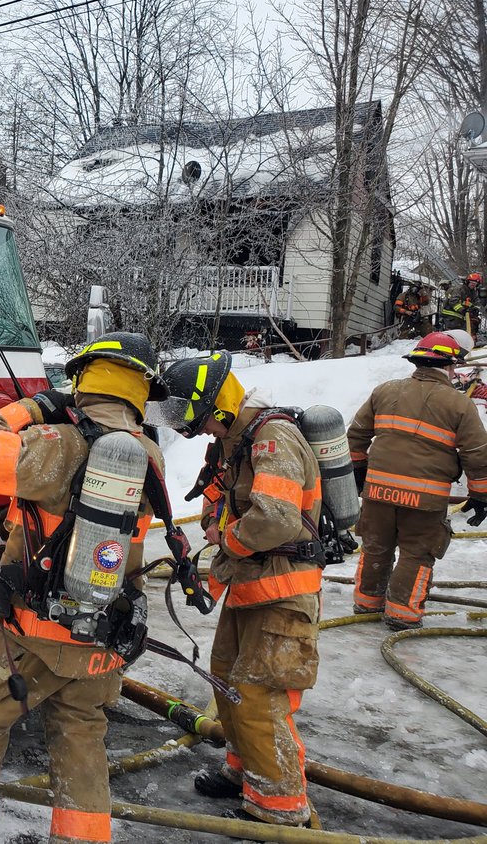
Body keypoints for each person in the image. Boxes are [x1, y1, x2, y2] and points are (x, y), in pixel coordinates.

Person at [0, 333, 168, 844]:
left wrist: (31, 408)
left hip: (33, 633)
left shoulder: (58, 446)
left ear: (83, 382)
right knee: (82, 732)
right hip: (104, 631)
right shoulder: (146, 457)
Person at [150, 352, 321, 828]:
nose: (196, 429)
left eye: (196, 417)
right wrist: (212, 521)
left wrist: (224, 538)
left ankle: (280, 811)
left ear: (217, 406)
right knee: (226, 678)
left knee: (259, 693)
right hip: (248, 585)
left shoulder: (272, 439)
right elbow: (218, 497)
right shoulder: (232, 442)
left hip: (282, 589)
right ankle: (244, 771)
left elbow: (276, 517)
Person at [347, 331, 487, 630]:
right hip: (424, 499)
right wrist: (480, 496)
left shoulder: (384, 391)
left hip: (378, 493)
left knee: (376, 547)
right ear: (449, 366)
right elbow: (477, 454)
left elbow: (355, 437)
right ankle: (402, 614)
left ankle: (366, 603)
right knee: (416, 553)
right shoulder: (460, 404)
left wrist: (360, 474)